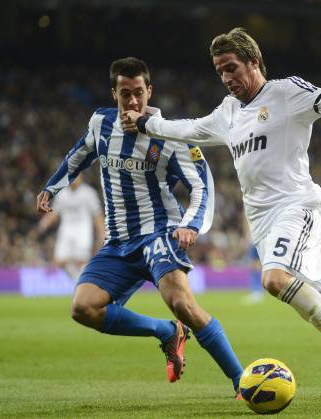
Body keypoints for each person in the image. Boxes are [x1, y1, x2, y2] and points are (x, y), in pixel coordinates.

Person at [121, 28, 321, 410]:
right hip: (263, 224)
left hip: (297, 207)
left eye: (232, 67)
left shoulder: (285, 93)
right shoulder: (228, 112)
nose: (227, 77)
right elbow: (188, 129)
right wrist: (146, 123)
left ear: (253, 62)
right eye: (220, 71)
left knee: (274, 278)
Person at [36, 57, 242, 393]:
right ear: (114, 94)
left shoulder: (169, 133)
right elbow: (80, 153)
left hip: (159, 233)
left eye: (139, 94)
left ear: (150, 91)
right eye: (125, 94)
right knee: (83, 308)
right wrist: (53, 187)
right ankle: (165, 332)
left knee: (182, 304)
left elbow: (202, 184)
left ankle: (241, 381)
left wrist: (190, 224)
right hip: (118, 242)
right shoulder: (100, 124)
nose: (132, 102)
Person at [38, 173, 105, 280]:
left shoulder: (89, 193)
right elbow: (55, 212)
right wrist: (44, 223)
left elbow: (97, 214)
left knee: (82, 260)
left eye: (77, 177)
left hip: (83, 230)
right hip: (66, 230)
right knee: (60, 260)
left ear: (82, 177)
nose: (74, 179)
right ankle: (77, 279)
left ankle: (83, 284)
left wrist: (102, 232)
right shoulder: (62, 194)